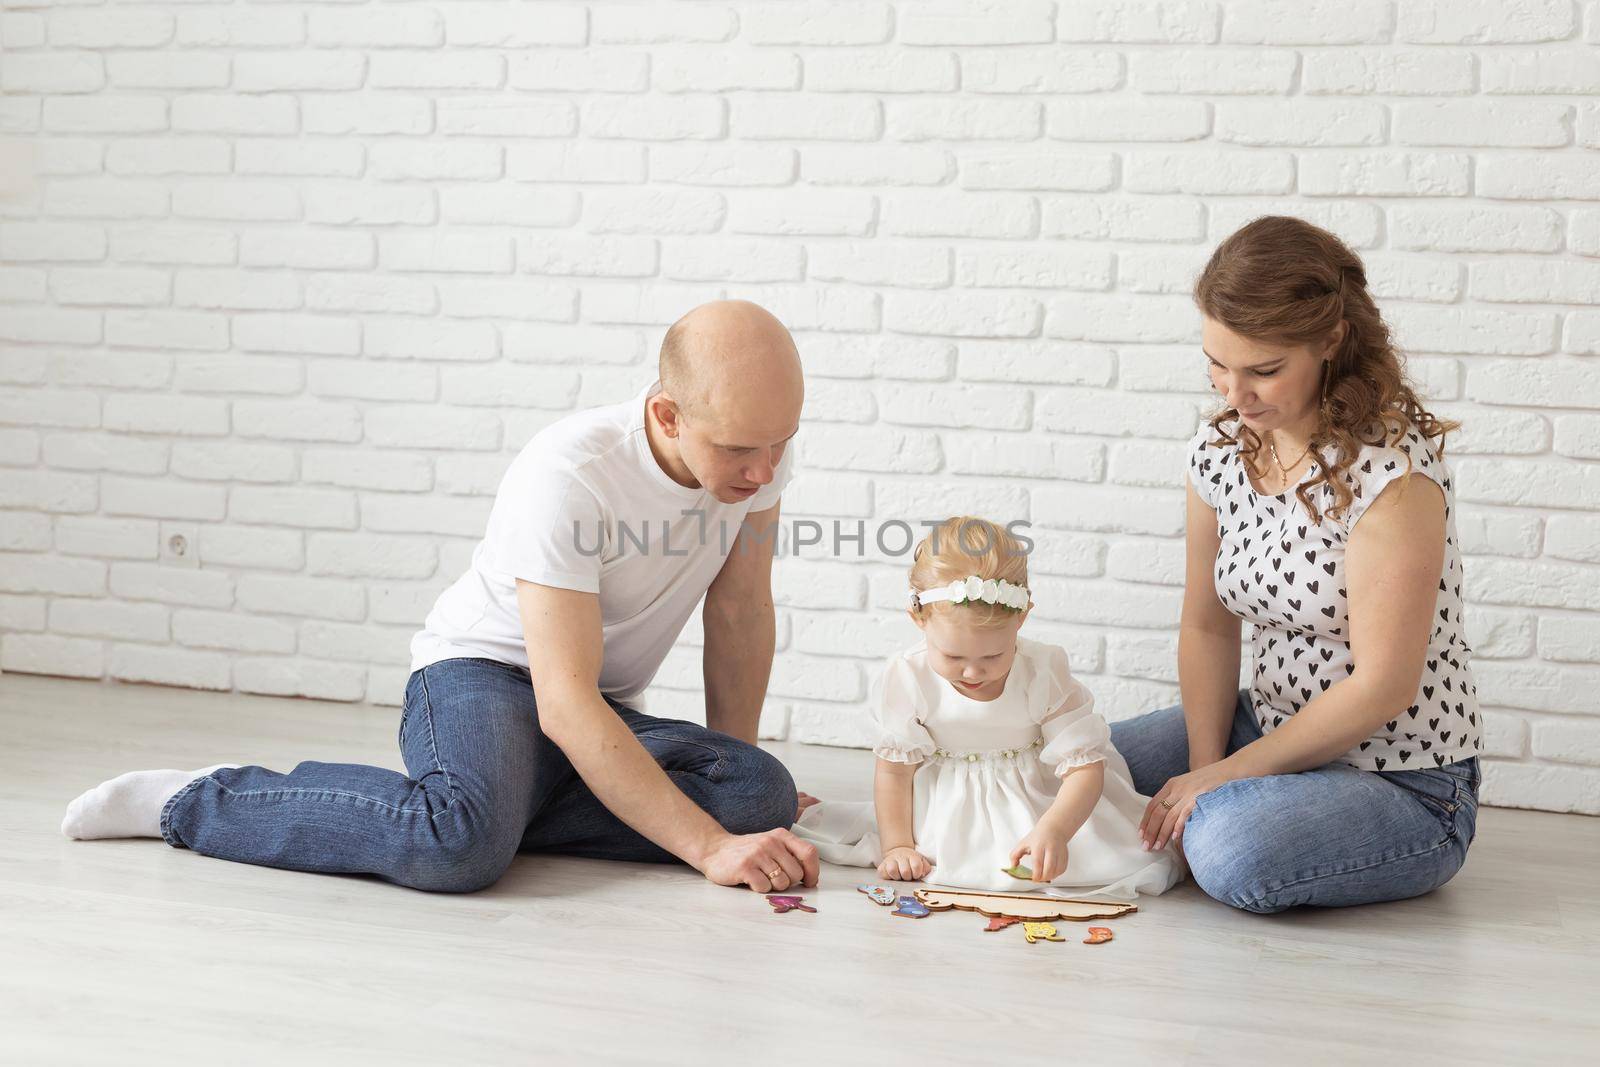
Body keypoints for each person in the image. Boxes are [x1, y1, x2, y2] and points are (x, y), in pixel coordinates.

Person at [62, 299, 821, 895]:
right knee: (459, 845)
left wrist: (739, 788)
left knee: (761, 793)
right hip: (481, 675)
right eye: (737, 449)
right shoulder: (571, 474)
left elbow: (740, 611)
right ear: (666, 414)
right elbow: (560, 701)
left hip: (592, 702)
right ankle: (196, 799)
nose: (762, 471)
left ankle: (502, 798)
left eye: (778, 442)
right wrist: (708, 844)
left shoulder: (754, 462)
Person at [1110, 216, 1483, 913]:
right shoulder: (1219, 455)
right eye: (1216, 363)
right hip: (1268, 725)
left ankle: (1232, 820)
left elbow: (1382, 686)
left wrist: (1219, 789)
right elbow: (1207, 625)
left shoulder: (1391, 476)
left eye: (1263, 370)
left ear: (1331, 340)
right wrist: (1204, 770)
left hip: (1403, 780)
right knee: (1072, 765)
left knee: (1229, 847)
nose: (1233, 392)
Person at [794, 516, 1184, 898]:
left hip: (1039, 798)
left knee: (1114, 854)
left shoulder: (1042, 670)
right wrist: (898, 846)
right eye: (952, 656)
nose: (972, 671)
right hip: (947, 805)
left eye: (994, 656)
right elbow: (895, 773)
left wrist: (1057, 830)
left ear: (1023, 617)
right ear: (918, 618)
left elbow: (1084, 769)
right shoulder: (907, 676)